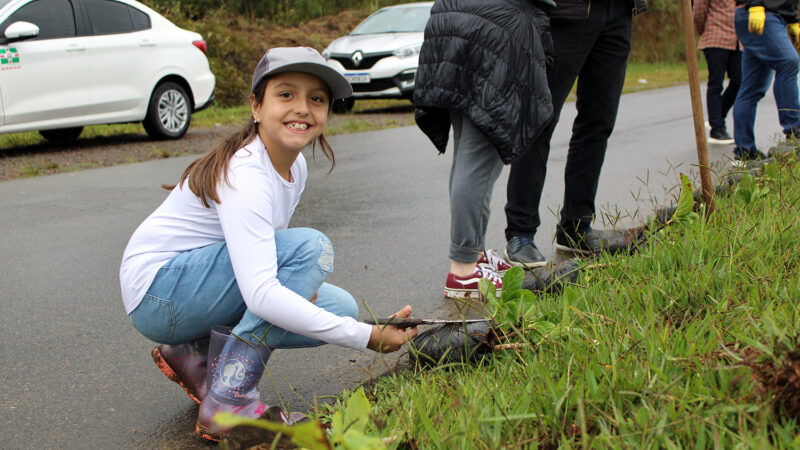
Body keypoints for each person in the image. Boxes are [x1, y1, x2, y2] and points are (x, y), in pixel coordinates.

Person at [119, 47, 418, 442]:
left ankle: (192, 353)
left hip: (188, 290)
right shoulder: (246, 173)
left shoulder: (295, 166)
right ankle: (230, 399)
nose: (303, 108)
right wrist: (367, 338)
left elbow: (264, 263)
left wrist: (324, 309)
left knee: (341, 308)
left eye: (317, 98)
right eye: (286, 94)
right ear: (256, 107)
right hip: (159, 293)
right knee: (313, 248)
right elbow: (262, 293)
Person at [413, 0, 555, 299]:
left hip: (454, 17)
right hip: (499, 26)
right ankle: (463, 271)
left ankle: (473, 254)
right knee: (479, 159)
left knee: (467, 151)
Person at [503, 0, 647, 264]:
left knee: (598, 121)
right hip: (568, 11)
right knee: (540, 118)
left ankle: (576, 227)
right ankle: (520, 232)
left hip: (619, 11)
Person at [732, 0, 800, 162]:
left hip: (767, 15)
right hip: (759, 12)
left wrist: (792, 19)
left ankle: (745, 151)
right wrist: (754, 3)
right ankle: (794, 127)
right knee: (788, 61)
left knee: (752, 87)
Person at [694, 0, 742, 145]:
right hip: (716, 37)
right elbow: (698, 14)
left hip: (737, 40)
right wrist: (707, 31)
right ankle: (717, 129)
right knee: (716, 83)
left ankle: (717, 116)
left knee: (739, 81)